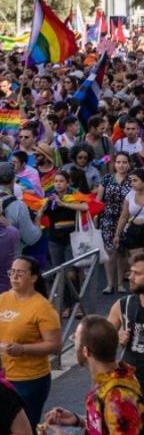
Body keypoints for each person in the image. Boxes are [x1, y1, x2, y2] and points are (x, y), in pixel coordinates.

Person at [0, 256, 62, 428]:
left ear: (33, 277)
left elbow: (55, 345)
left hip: (28, 380)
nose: (14, 277)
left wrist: (23, 349)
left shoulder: (43, 307)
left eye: (20, 273)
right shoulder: (1, 299)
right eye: (11, 272)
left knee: (24, 428)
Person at [43, 316, 144, 435]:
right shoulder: (111, 377)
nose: (74, 344)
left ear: (85, 351)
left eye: (75, 339)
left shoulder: (117, 396)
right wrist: (78, 420)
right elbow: (108, 425)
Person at [37, 170, 88, 317]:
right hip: (54, 239)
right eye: (56, 181)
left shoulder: (73, 194)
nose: (58, 184)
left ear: (67, 183)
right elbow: (39, 218)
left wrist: (64, 204)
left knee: (71, 273)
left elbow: (85, 207)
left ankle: (77, 305)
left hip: (72, 238)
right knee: (59, 274)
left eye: (61, 181)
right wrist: (41, 209)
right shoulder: (50, 197)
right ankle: (65, 305)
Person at [97, 152, 133, 293]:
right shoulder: (106, 179)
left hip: (126, 219)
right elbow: (98, 201)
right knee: (109, 251)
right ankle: (109, 284)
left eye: (124, 162)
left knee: (122, 252)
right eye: (118, 162)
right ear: (114, 164)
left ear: (129, 164)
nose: (121, 165)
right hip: (107, 218)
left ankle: (120, 284)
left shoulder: (132, 180)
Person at [107, 253, 144, 387]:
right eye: (131, 272)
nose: (130, 277)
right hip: (130, 385)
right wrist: (117, 336)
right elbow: (103, 340)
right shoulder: (123, 304)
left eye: (137, 273)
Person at [113, 168, 144, 294]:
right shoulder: (130, 195)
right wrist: (117, 234)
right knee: (136, 261)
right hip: (134, 231)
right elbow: (124, 216)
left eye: (135, 180)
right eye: (131, 181)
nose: (132, 183)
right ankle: (138, 290)